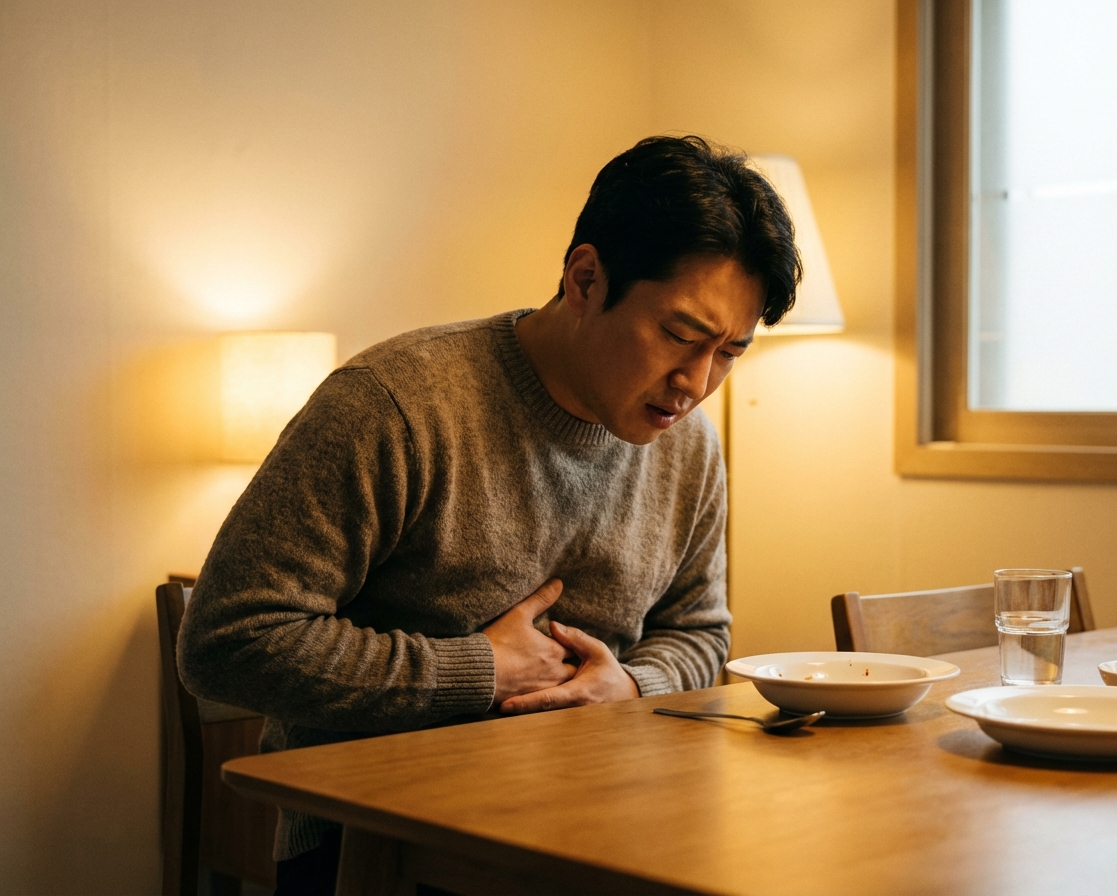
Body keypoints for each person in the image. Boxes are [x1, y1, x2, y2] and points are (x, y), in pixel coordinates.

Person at [177, 134, 800, 894]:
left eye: (730, 353)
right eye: (679, 335)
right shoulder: (395, 404)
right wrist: (476, 671)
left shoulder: (689, 447)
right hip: (376, 844)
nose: (695, 383)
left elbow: (699, 631)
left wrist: (633, 686)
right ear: (585, 277)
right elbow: (225, 640)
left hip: (603, 828)